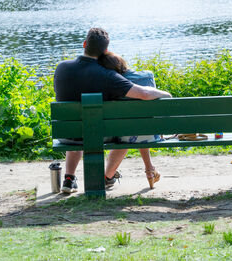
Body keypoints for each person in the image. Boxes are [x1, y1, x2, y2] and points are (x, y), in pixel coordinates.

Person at [54, 28, 171, 193]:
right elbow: (144, 93)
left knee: (80, 126)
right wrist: (166, 94)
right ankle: (107, 177)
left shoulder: (61, 68)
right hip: (97, 135)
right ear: (105, 51)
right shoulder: (107, 75)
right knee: (124, 128)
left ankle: (69, 179)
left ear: (85, 44)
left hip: (66, 134)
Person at [98, 51, 162, 189]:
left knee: (129, 130)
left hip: (126, 133)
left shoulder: (113, 82)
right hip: (152, 132)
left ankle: (107, 177)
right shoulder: (148, 75)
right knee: (140, 124)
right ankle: (150, 170)